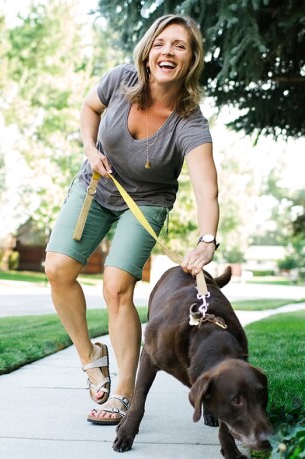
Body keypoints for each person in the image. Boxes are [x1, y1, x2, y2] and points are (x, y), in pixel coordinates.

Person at [44, 14, 219, 425]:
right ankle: (91, 355)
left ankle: (123, 391)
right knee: (57, 269)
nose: (168, 52)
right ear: (148, 49)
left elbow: (205, 188)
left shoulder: (189, 122)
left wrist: (207, 239)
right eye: (161, 43)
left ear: (191, 58)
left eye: (180, 46)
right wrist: (90, 149)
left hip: (147, 202)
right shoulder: (121, 81)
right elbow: (89, 107)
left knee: (117, 287)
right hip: (95, 187)